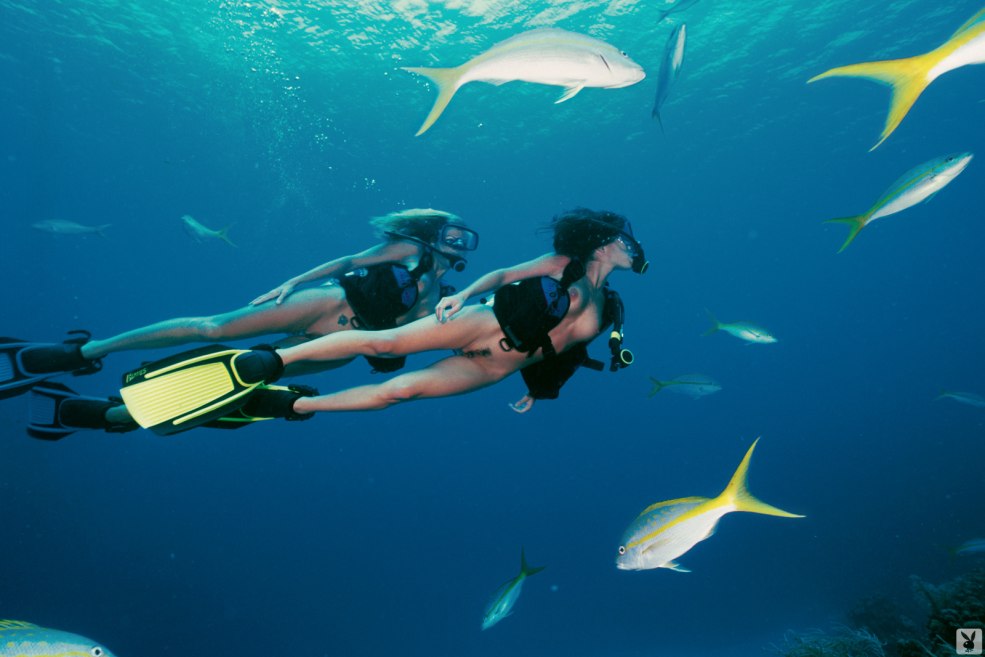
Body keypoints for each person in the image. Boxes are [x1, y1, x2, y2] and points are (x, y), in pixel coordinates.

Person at [110, 208, 647, 436]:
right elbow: (505, 272)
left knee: (399, 393)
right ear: (602, 241)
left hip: (499, 370)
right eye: (625, 240)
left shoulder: (611, 309)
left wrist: (539, 390)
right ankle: (274, 358)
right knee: (385, 339)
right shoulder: (566, 267)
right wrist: (464, 298)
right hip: (481, 326)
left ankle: (288, 402)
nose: (632, 247)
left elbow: (569, 354)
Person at [5, 209, 479, 438]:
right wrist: (291, 282)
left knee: (227, 383)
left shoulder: (444, 298)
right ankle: (83, 352)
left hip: (339, 347)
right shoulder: (409, 250)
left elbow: (407, 342)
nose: (459, 242)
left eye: (465, 238)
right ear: (432, 234)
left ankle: (108, 414)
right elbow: (348, 260)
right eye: (453, 234)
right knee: (212, 330)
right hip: (321, 304)